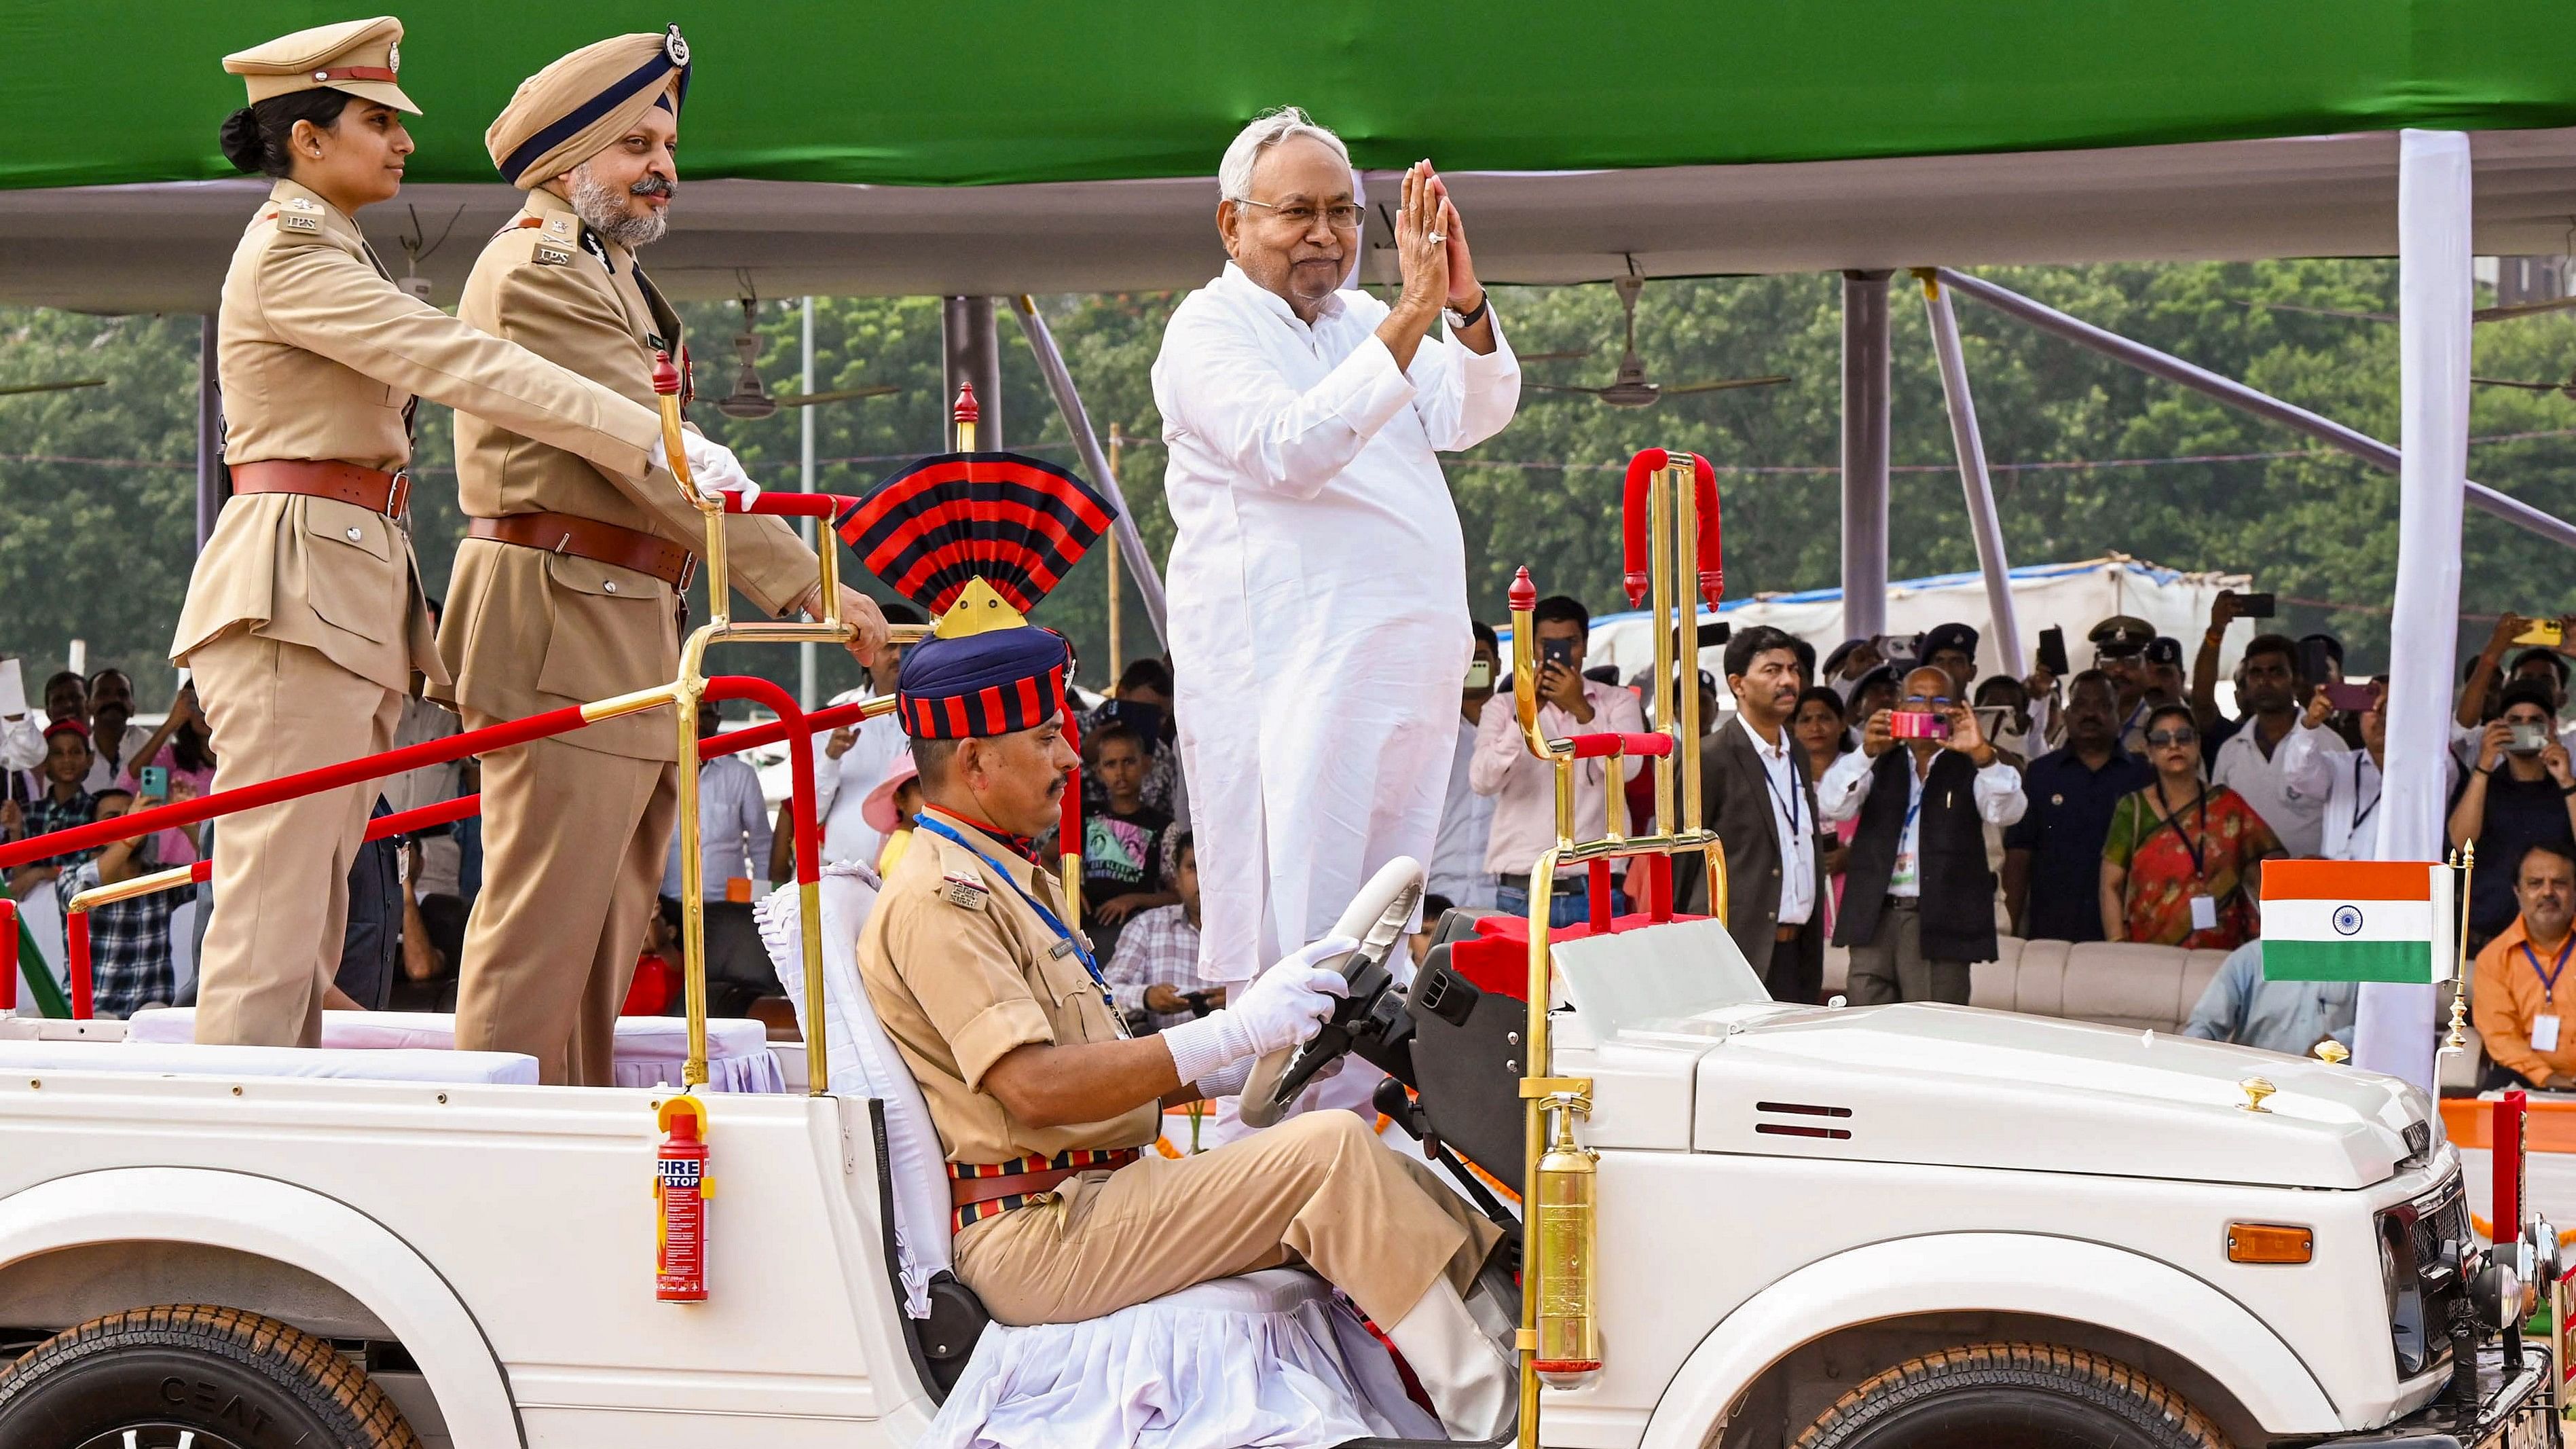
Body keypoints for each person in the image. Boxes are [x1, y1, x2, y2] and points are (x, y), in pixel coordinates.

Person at [179, 18, 745, 1053]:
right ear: (305, 138)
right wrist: (660, 441)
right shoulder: (294, 252)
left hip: (335, 590)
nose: (401, 141)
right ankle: (235, 1157)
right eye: (375, 120)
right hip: (293, 591)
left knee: (304, 913)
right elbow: (458, 360)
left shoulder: (327, 245)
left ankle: (277, 1122)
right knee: (273, 919)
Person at [853, 591, 1514, 1440]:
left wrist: (1235, 1061)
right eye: (1045, 739)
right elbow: (1035, 1088)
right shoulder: (943, 898)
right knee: (1326, 1155)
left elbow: (1097, 1064)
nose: (1070, 759)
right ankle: (1496, 1412)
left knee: (1359, 1145)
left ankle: (1513, 1322)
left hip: (1093, 1196)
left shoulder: (1009, 879)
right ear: (976, 761)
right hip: (1037, 1231)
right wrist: (1233, 1030)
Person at [439, 29, 887, 1082]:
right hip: (560, 614)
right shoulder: (540, 272)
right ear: (567, 159)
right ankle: (485, 1164)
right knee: (541, 939)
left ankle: (565, 1157)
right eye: (636, 143)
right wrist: (810, 586)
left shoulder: (607, 270)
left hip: (617, 614)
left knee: (600, 943)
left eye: (668, 144)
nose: (664, 168)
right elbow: (657, 459)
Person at [1153, 107, 1519, 1019]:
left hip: (1401, 672)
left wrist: (1464, 307)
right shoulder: (1207, 333)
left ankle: (1363, 1138)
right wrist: (1410, 315)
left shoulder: (1360, 317)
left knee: (1383, 929)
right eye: (1296, 213)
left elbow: (1470, 414)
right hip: (1294, 675)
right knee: (1303, 938)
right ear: (1232, 224)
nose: (1325, 235)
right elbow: (1291, 447)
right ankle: (1275, 1147)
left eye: (1344, 213)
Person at [1820, 665, 2026, 1004]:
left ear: (1959, 709)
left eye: (1939, 700)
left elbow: (2008, 812)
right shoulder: (1878, 758)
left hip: (1939, 920)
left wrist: (1982, 754)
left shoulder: (1973, 763)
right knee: (1864, 1024)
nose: (1927, 710)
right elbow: (1833, 804)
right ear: (1899, 707)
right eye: (1916, 699)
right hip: (1875, 918)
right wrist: (1865, 753)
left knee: (1932, 1029)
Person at [1471, 595, 1646, 925]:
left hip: (1595, 883)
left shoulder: (1617, 701)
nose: (1559, 653)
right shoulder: (1502, 707)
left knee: (1597, 978)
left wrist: (1583, 710)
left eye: (1570, 643)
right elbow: (1482, 780)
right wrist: (1527, 713)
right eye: (1548, 644)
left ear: (1584, 646)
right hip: (1524, 887)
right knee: (1521, 978)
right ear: (1533, 648)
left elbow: (1630, 770)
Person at [1674, 627, 1826, 1002]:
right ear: (1738, 684)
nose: (1788, 680)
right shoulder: (1709, 757)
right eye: (1772, 671)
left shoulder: (1797, 755)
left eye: (1792, 669)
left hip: (1795, 952)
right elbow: (1681, 863)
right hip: (1734, 951)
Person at [2101, 703, 2281, 949]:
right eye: (2162, 739)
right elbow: (2110, 884)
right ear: (2149, 753)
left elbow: (2266, 870)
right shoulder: (2132, 808)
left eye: (2183, 737)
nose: (2174, 745)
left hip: (2221, 954)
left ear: (2197, 745)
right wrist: (2117, 945)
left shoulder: (2228, 805)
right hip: (2148, 954)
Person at [2002, 670, 2152, 941]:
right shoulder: (2040, 774)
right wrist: (2009, 929)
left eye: (2102, 706)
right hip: (2053, 931)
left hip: (2127, 931)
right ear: (2068, 714)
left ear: (2119, 715)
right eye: (2080, 705)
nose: (2090, 714)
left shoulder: (2143, 775)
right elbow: (2019, 855)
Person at [659, 703, 776, 1014]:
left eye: (707, 713)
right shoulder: (659, 773)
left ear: (718, 720)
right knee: (676, 990)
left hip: (728, 904)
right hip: (672, 904)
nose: (698, 720)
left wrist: (760, 901)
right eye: (693, 710)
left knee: (726, 988)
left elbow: (762, 843)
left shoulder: (741, 775)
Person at [2447, 682, 2576, 949]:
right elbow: (2460, 845)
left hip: (2558, 949)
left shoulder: (2568, 787)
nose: (2525, 727)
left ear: (2552, 728)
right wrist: (2484, 764)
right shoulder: (2481, 786)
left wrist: (2566, 781)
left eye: (2535, 721)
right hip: (2484, 944)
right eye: (2515, 721)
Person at [56, 786, 185, 1020]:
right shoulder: (71, 876)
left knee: (159, 1014)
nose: (128, 821)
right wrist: (131, 834)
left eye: (133, 814)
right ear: (92, 831)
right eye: (113, 818)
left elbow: (218, 877)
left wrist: (188, 819)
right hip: (89, 1016)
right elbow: (85, 894)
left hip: (148, 1019)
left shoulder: (161, 875)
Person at [2207, 633, 2342, 858]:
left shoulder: (2328, 744)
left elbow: (2346, 819)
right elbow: (2218, 823)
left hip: (2315, 883)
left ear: (2296, 679)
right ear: (2246, 682)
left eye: (2276, 672)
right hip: (2249, 885)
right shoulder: (2231, 751)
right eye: (2256, 673)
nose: (2264, 681)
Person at [815, 600, 927, 868]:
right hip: (844, 876)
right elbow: (809, 813)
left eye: (909, 647)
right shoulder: (833, 720)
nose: (899, 656)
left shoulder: (937, 718)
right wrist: (831, 758)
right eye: (890, 646)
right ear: (864, 653)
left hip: (915, 873)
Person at [2470, 841, 2576, 1090]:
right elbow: (2501, 1037)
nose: (2548, 892)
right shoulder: (2494, 958)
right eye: (2535, 883)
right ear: (2518, 891)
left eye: (2559, 883)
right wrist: (2549, 1079)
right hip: (2525, 1079)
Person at [1079, 722, 1177, 961]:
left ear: (1146, 765)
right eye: (1111, 765)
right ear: (1100, 772)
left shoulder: (1163, 826)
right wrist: (1072, 886)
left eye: (1128, 762)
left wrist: (1133, 899)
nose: (1120, 773)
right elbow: (1047, 858)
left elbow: (1178, 894)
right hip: (1089, 927)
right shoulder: (1086, 815)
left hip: (1140, 931)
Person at [1106, 830, 1221, 1035]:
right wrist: (1147, 997)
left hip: (1242, 1057)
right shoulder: (1146, 926)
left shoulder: (1251, 931)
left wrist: (1238, 999)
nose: (1203, 877)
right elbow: (1105, 997)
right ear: (1176, 878)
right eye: (1193, 867)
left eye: (1212, 865)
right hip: (1167, 1056)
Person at [1429, 623, 1501, 911]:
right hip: (1437, 889)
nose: (1473, 667)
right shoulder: (1432, 733)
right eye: (1466, 660)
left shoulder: (1522, 730)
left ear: (1498, 664)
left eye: (1480, 658)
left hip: (1504, 891)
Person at [2182, 939, 2356, 1057]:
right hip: (2255, 1083)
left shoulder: (2359, 960)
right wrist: (2189, 1059)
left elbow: (2378, 1029)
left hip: (2330, 1084)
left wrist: (2336, 1042)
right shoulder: (2250, 957)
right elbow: (2205, 1025)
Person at [1084, 657, 1188, 821]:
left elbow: (1164, 826)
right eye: (1150, 712)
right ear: (1122, 694)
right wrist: (1084, 757)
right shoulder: (1068, 731)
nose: (1158, 722)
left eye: (1164, 716)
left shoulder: (1162, 758)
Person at [8, 720, 96, 896]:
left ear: (90, 759)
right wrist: (15, 830)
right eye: (58, 753)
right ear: (44, 762)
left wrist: (40, 873)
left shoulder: (96, 809)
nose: (67, 760)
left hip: (78, 907)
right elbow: (21, 880)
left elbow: (93, 870)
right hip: (35, 912)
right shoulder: (29, 813)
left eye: (75, 752)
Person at [79, 670, 158, 792]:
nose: (114, 699)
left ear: (133, 707)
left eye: (122, 694)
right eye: (103, 694)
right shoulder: (77, 756)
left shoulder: (152, 748)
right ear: (88, 706)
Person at [1921, 622, 1978, 696]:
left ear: (1972, 673)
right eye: (1939, 661)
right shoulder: (1907, 708)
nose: (1947, 670)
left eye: (1957, 662)